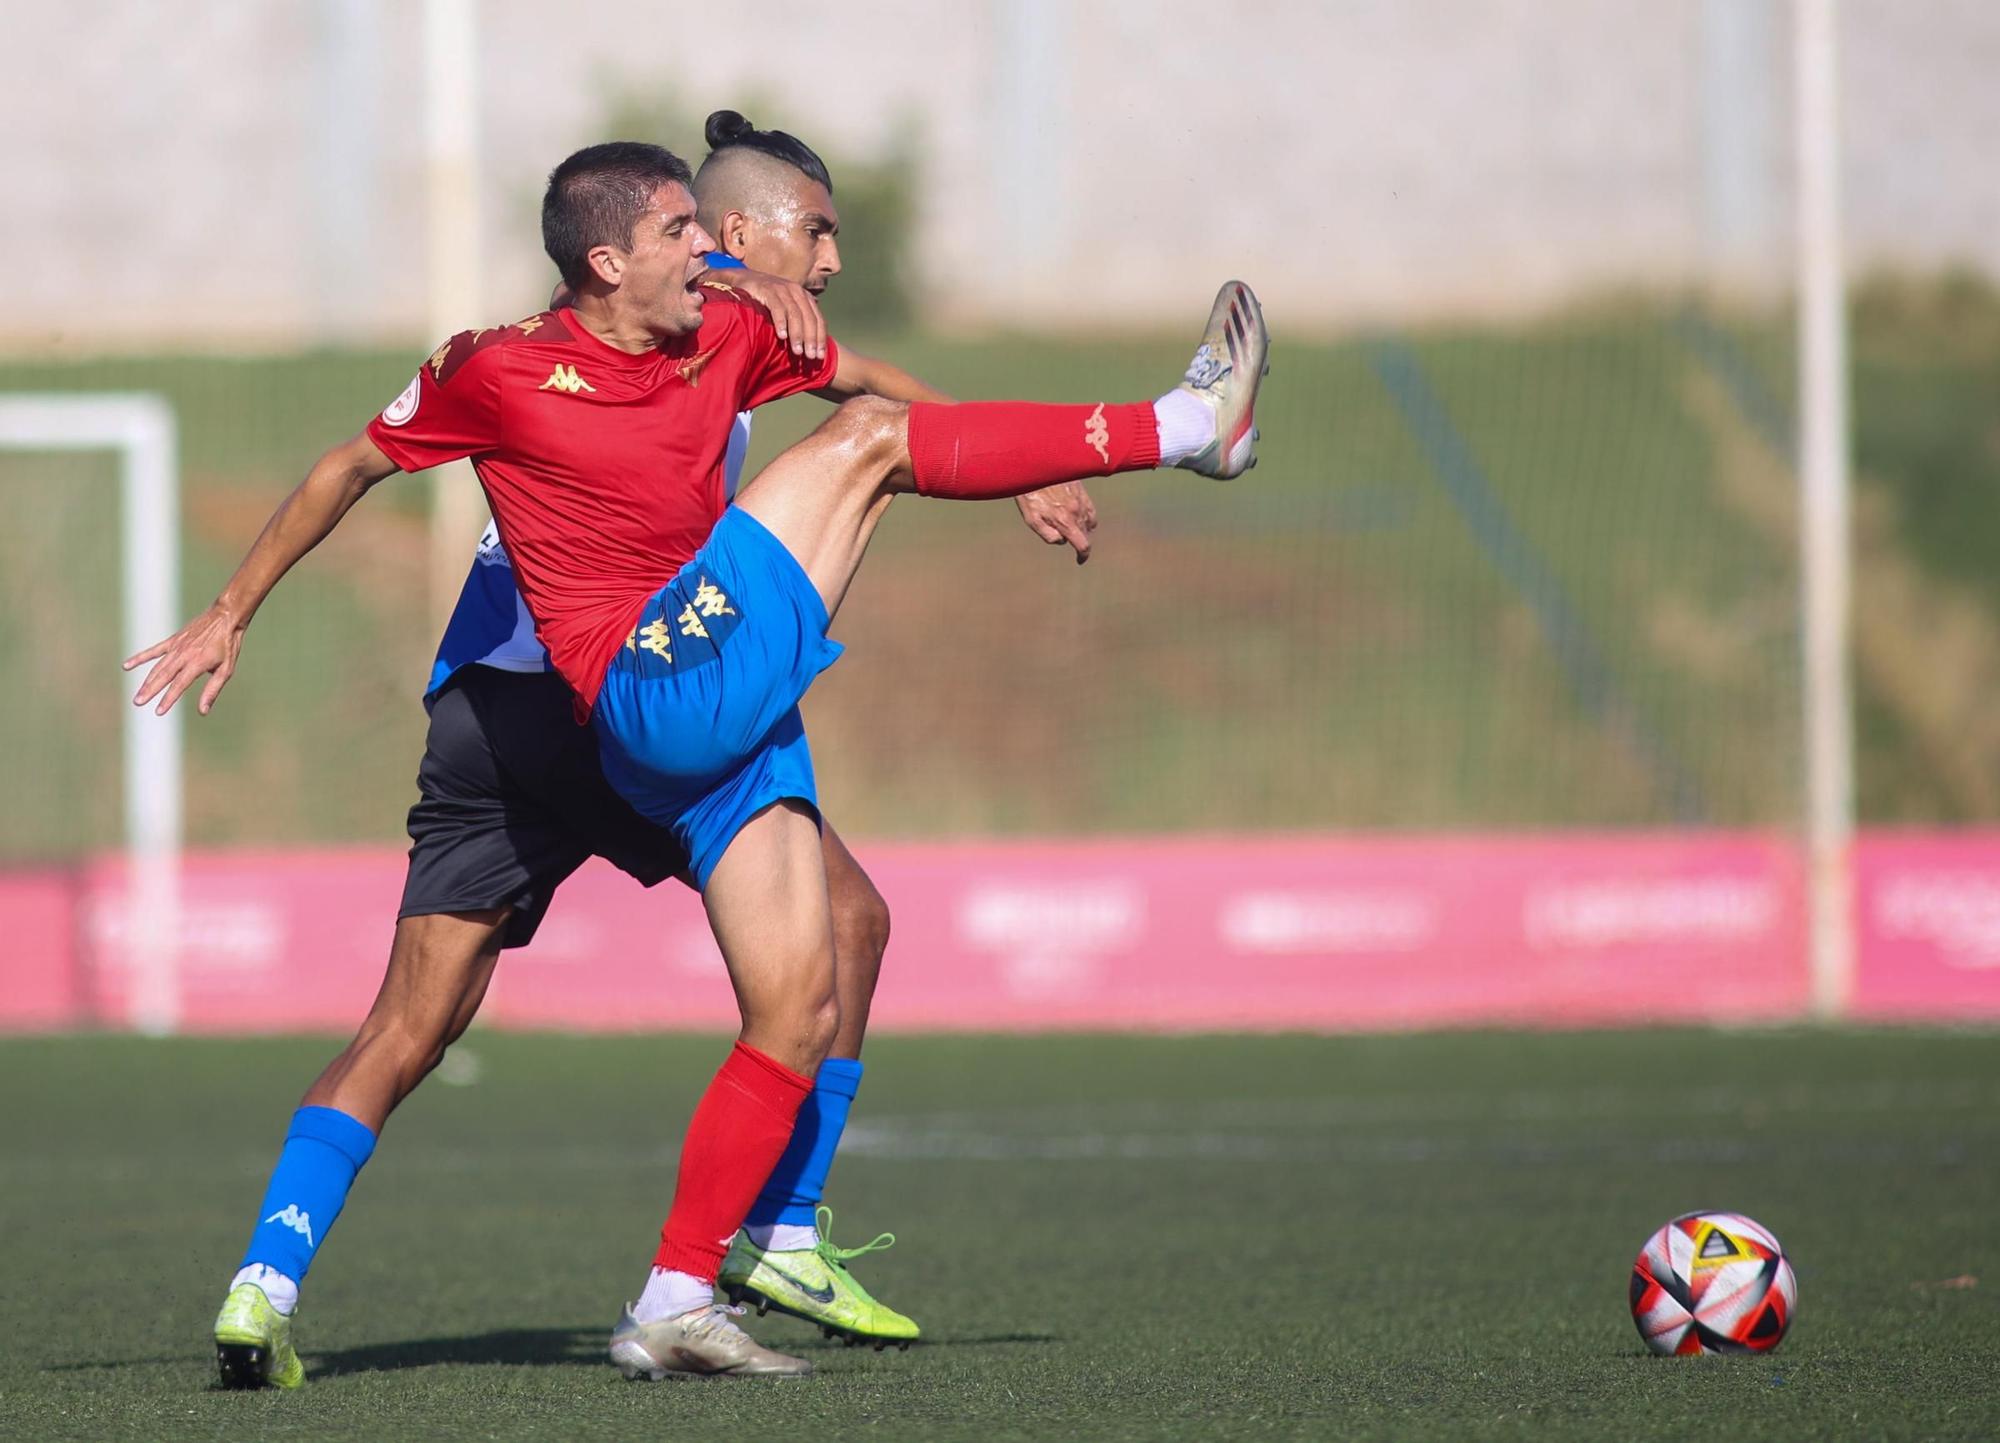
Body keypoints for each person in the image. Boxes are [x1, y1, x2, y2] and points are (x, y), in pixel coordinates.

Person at [129, 139, 1267, 1382]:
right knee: (870, 463)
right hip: (593, 706)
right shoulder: (510, 364)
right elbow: (353, 460)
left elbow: (862, 374)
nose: (807, 260)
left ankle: (345, 1287)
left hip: (561, 709)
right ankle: (1189, 425)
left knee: (807, 970)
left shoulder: (726, 328)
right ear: (633, 252)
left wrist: (1015, 459)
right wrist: (232, 605)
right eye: (783, 236)